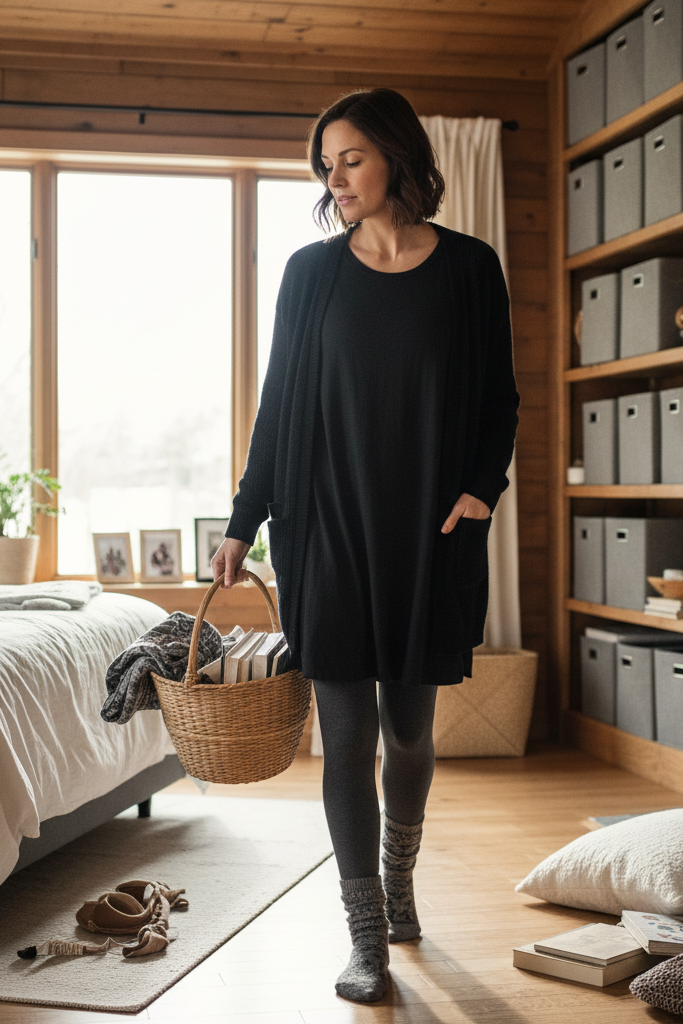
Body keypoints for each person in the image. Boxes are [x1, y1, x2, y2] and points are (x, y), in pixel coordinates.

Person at [212, 88, 519, 1004]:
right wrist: (242, 520)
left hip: (429, 532)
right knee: (344, 739)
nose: (333, 176)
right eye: (325, 162)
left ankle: (398, 883)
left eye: (349, 157)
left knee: (410, 729)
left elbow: (500, 396)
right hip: (326, 528)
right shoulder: (311, 274)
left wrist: (479, 490)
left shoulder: (469, 268)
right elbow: (277, 407)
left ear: (393, 155)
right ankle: (364, 936)